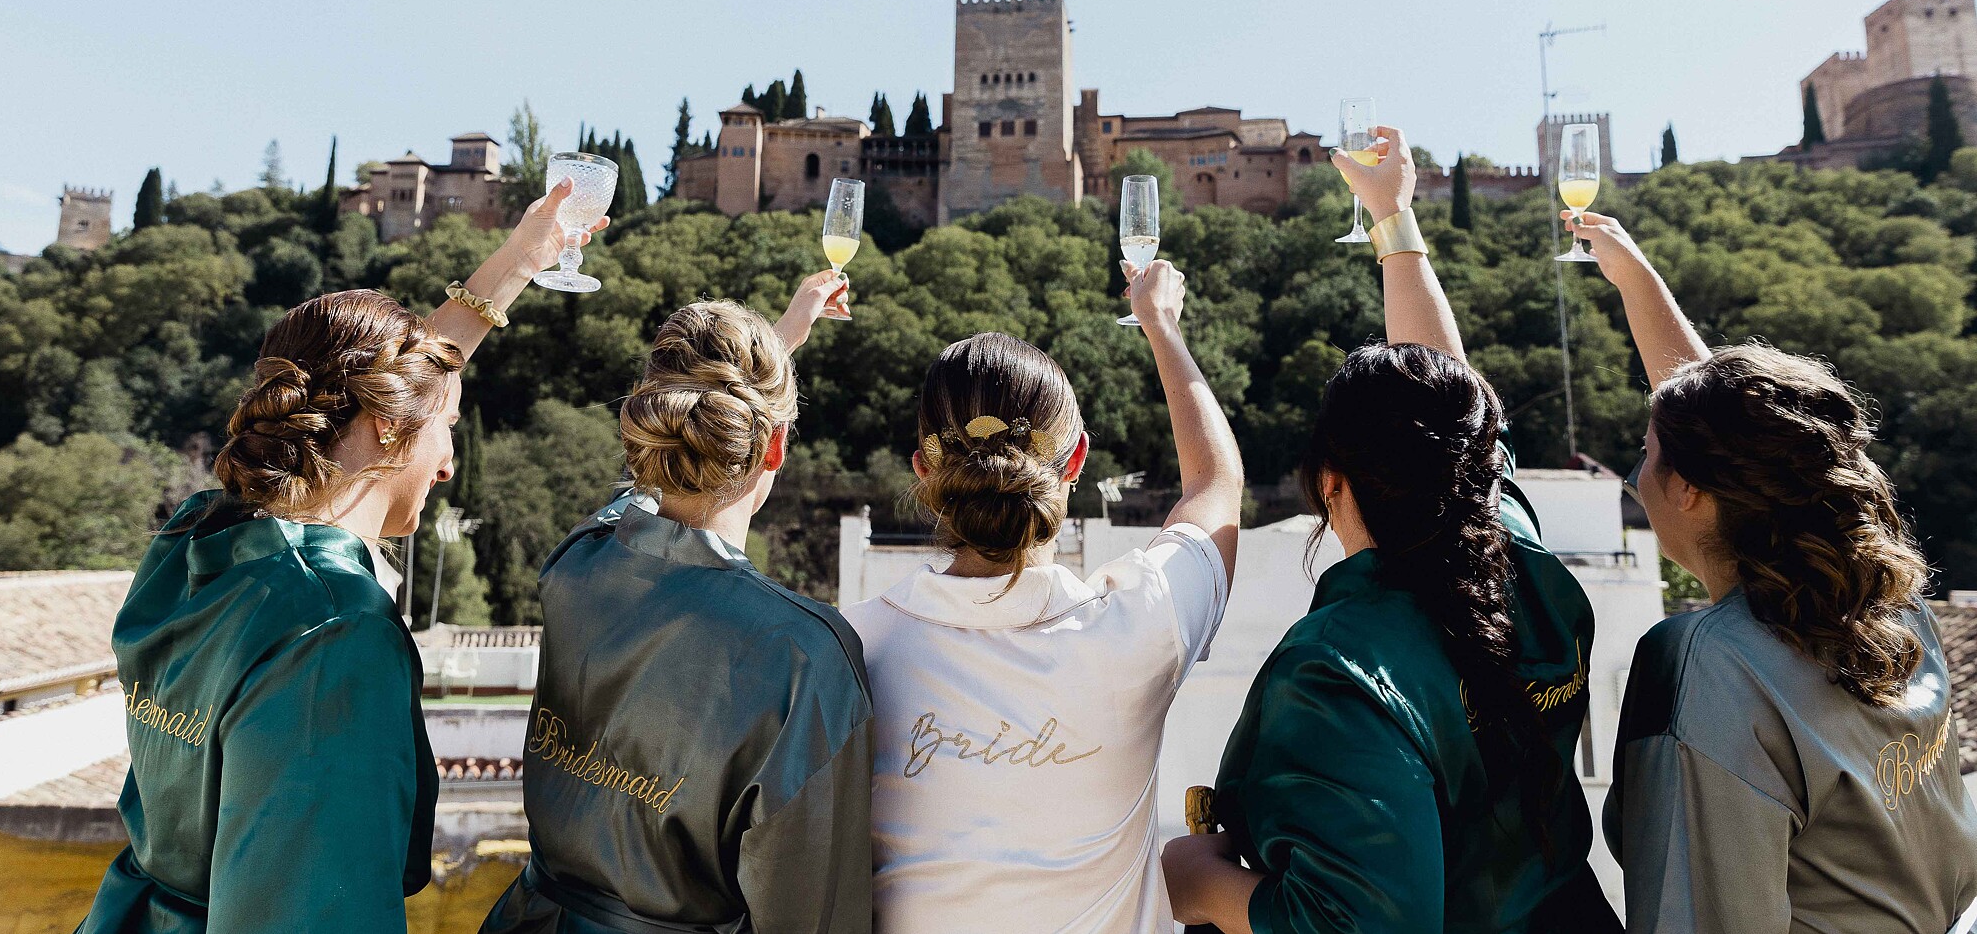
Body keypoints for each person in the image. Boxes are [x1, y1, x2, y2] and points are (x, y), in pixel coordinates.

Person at [77, 183, 605, 933]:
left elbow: (405, 381)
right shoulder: (332, 634)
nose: (448, 463)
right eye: (446, 428)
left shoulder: (198, 541)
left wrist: (518, 261)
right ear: (391, 423)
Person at [1162, 127, 1620, 934]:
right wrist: (1392, 220)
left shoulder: (1335, 671)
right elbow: (1458, 408)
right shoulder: (1528, 564)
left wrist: (1198, 883)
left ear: (1328, 484)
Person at [1569, 209, 1977, 933]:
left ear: (1690, 489)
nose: (1637, 476)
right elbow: (1752, 434)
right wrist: (1634, 279)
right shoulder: (1887, 604)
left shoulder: (1707, 667)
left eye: (1645, 452)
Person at [841, 254, 1241, 934]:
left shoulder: (849, 648)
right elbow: (1214, 487)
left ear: (923, 470)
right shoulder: (1142, 621)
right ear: (1077, 459)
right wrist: (1160, 324)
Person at [482, 270, 869, 934]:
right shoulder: (803, 652)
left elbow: (643, 490)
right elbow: (813, 912)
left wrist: (779, 344)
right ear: (772, 443)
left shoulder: (576, 560)